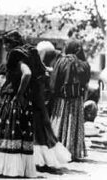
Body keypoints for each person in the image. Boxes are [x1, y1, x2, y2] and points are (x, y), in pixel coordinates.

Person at [0, 31, 42, 177]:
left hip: (12, 99)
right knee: (19, 133)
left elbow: (26, 74)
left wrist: (18, 94)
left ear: (11, 43)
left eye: (6, 43)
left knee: (6, 131)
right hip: (23, 100)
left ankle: (5, 169)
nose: (4, 46)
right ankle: (17, 169)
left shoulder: (16, 55)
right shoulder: (28, 53)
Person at [50, 39, 91, 161]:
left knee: (60, 122)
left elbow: (54, 82)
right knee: (73, 123)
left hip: (62, 100)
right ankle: (72, 150)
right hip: (77, 100)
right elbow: (86, 82)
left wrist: (53, 95)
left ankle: (58, 150)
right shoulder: (84, 64)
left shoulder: (62, 61)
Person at [32, 41, 71, 169]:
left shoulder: (44, 69)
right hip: (44, 102)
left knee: (39, 130)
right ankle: (43, 158)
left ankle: (40, 159)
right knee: (44, 129)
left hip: (41, 102)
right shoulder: (50, 68)